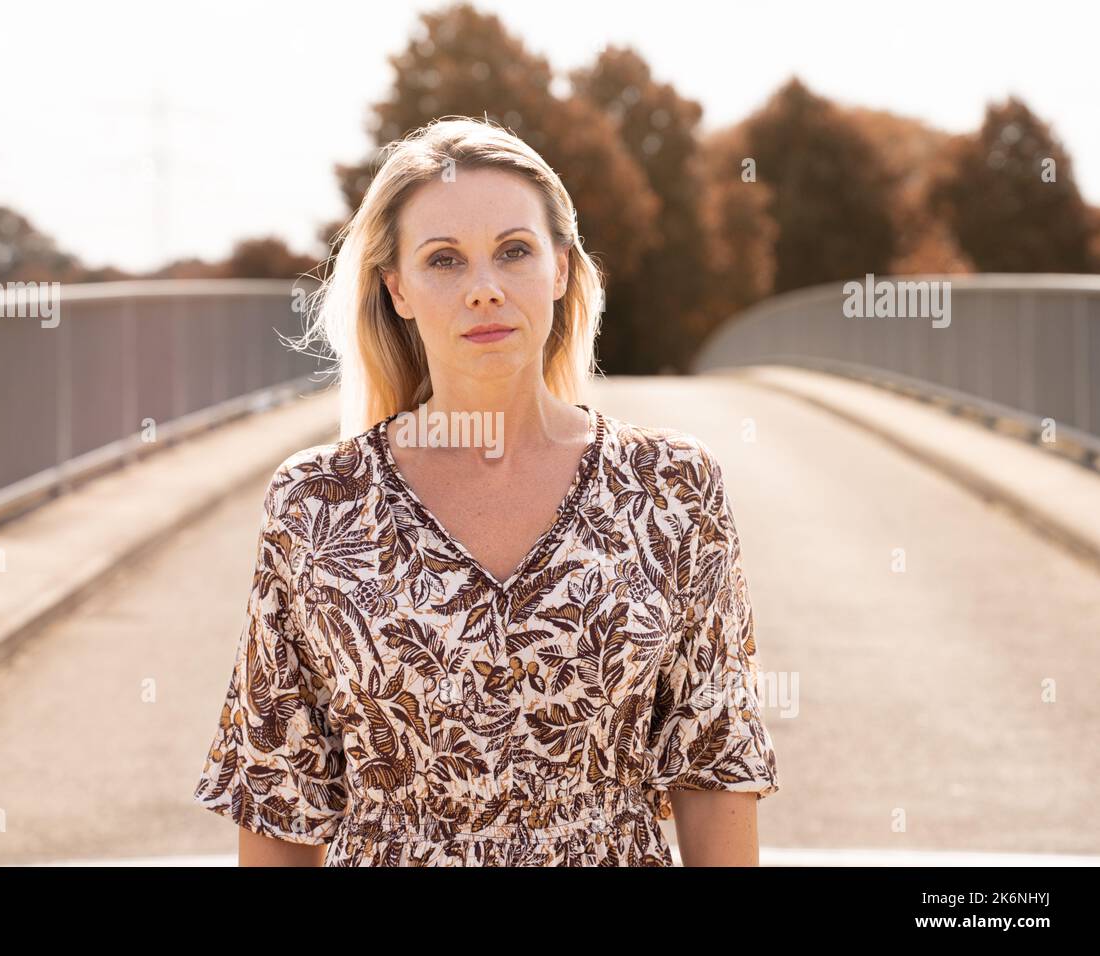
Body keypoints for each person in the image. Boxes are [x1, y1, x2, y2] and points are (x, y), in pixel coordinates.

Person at [193, 115, 779, 866]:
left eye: (514, 251)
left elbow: (715, 766)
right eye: (444, 260)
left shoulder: (671, 488)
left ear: (560, 270)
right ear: (396, 288)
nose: (484, 290)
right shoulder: (317, 504)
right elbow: (280, 793)